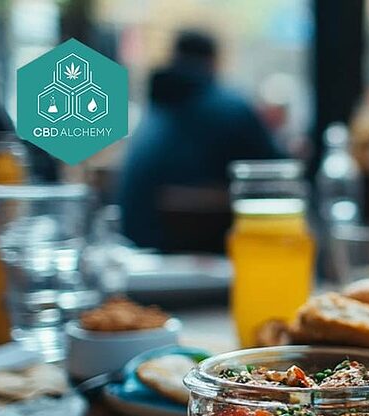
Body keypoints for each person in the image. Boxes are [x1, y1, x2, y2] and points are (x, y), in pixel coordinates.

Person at [118, 29, 284, 250]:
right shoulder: (230, 107)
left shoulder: (155, 108)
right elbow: (278, 174)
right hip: (196, 256)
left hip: (135, 244)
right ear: (213, 62)